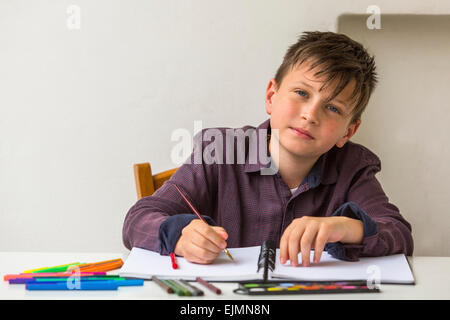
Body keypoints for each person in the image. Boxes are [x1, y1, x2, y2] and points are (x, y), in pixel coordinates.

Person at [122, 31, 414, 267]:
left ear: (348, 131)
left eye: (333, 108)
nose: (310, 115)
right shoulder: (221, 150)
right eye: (301, 93)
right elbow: (138, 218)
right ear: (271, 96)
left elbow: (398, 233)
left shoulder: (353, 167)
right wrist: (180, 235)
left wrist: (346, 228)